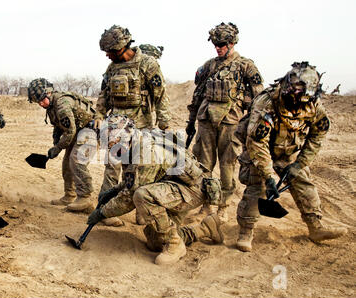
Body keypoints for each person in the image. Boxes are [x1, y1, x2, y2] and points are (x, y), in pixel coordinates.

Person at [234, 61, 347, 252]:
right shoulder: (268, 102)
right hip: (260, 151)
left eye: (299, 91)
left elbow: (318, 135)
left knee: (303, 182)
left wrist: (300, 163)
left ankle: (315, 227)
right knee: (257, 186)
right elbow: (257, 142)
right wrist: (269, 176)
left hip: (289, 151)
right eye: (292, 89)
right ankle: (246, 231)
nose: (294, 94)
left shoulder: (314, 105)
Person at [87, 114, 224, 265]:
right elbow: (132, 181)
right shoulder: (135, 144)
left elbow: (129, 198)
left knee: (142, 195)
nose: (111, 147)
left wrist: (102, 212)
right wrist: (114, 190)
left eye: (113, 141)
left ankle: (175, 244)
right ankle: (205, 228)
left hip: (192, 190)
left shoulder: (145, 153)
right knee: (155, 242)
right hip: (174, 187)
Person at [95, 25, 171, 225]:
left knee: (139, 170)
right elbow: (104, 94)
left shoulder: (147, 64)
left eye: (110, 51)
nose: (108, 56)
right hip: (116, 127)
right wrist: (99, 114)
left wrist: (164, 121)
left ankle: (141, 209)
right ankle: (106, 210)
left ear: (122, 46)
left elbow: (161, 95)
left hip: (141, 127)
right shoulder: (111, 69)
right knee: (111, 167)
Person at [186, 22, 264, 220]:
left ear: (231, 43)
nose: (218, 48)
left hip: (231, 122)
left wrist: (245, 111)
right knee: (204, 166)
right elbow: (198, 94)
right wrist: (191, 120)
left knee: (227, 166)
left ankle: (223, 206)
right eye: (216, 45)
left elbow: (259, 98)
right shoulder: (209, 65)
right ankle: (207, 204)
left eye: (222, 44)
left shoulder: (245, 65)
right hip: (206, 120)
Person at [27, 78, 119, 221]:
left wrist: (57, 148)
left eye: (41, 99)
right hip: (78, 133)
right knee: (67, 164)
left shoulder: (62, 104)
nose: (40, 103)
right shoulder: (51, 106)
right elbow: (58, 127)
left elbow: (70, 131)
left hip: (90, 131)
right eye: (37, 101)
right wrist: (55, 142)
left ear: (49, 93)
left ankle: (85, 197)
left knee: (76, 160)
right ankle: (69, 195)